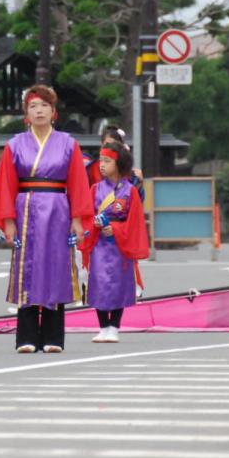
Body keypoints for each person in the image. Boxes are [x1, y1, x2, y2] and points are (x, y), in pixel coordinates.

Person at [0, 84, 93, 354]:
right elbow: (6, 185)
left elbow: (78, 184)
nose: (39, 110)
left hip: (58, 208)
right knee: (27, 268)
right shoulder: (14, 145)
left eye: (44, 105)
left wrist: (78, 219)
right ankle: (26, 336)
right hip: (25, 209)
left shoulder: (69, 144)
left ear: (54, 111)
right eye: (33, 106)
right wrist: (8, 221)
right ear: (26, 114)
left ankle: (53, 336)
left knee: (56, 267)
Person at [83, 141, 149, 343]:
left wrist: (117, 229)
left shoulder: (129, 191)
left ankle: (114, 327)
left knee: (119, 285)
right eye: (101, 160)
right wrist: (93, 224)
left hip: (120, 244)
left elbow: (135, 222)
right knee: (99, 283)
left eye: (107, 161)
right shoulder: (95, 189)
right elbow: (87, 215)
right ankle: (103, 327)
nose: (101, 165)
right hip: (99, 244)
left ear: (119, 163)